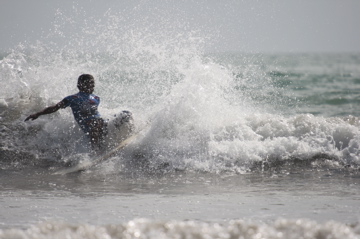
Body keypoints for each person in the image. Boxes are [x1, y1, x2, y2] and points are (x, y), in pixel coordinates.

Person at [25, 74, 106, 151]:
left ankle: (104, 147)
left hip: (98, 124)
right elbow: (55, 107)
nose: (93, 86)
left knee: (105, 122)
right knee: (96, 123)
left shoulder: (96, 98)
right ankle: (95, 150)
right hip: (88, 124)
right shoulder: (72, 98)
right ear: (80, 85)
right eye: (90, 83)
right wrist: (38, 114)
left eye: (93, 83)